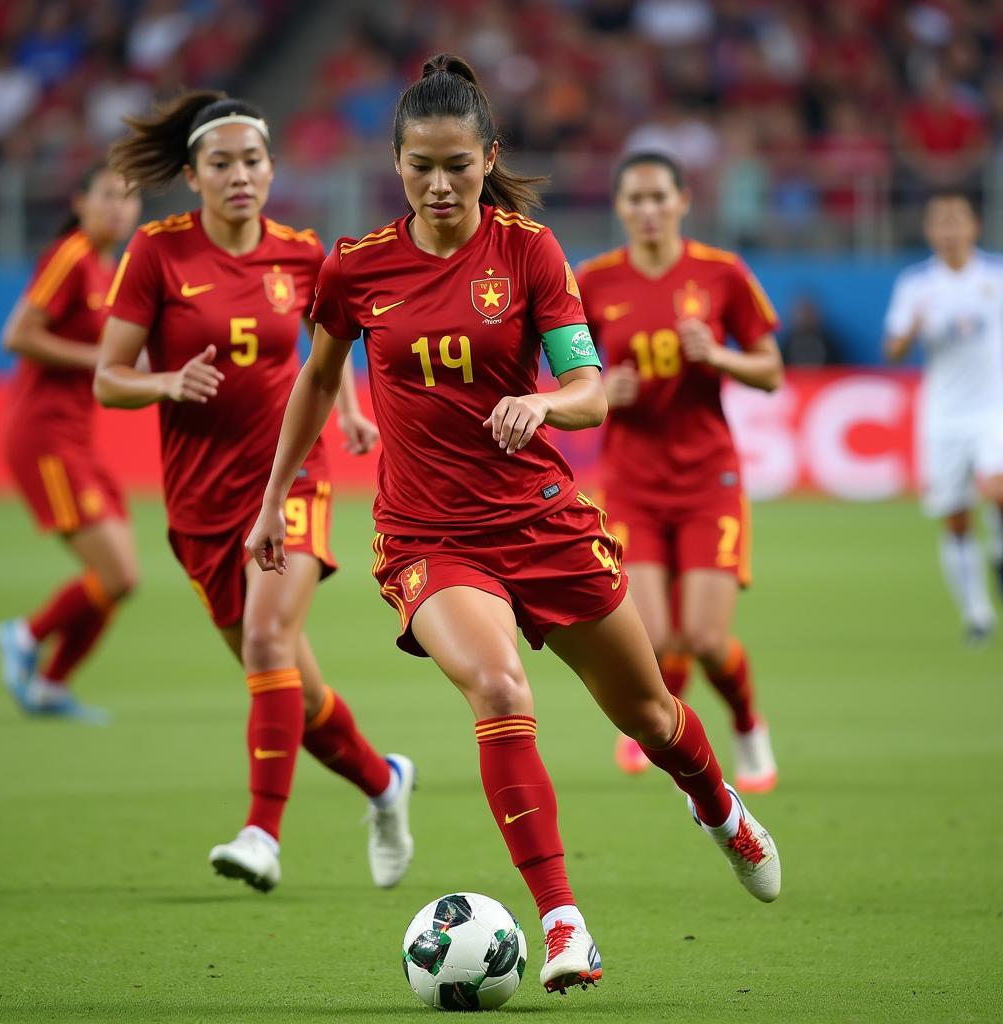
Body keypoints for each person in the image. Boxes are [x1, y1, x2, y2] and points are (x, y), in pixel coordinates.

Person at [247, 55, 781, 997]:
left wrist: (541, 405)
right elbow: (319, 379)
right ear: (397, 161)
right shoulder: (357, 267)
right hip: (427, 536)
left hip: (541, 522)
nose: (441, 184)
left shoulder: (529, 252)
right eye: (421, 166)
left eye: (459, 164)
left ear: (489, 157)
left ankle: (719, 808)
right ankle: (564, 921)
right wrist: (271, 498)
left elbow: (587, 391)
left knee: (653, 716)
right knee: (498, 688)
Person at [93, 91, 414, 893]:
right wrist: (167, 381)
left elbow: (326, 349)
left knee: (269, 644)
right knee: (294, 693)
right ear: (193, 176)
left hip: (290, 480)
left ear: (271, 167)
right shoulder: (157, 254)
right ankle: (384, 784)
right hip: (200, 505)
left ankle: (262, 835)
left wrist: (348, 411)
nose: (241, 176)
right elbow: (107, 380)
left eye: (253, 161)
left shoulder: (303, 255)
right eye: (222, 164)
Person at [576, 152, 782, 790]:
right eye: (634, 200)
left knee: (704, 635)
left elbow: (771, 370)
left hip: (707, 480)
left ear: (683, 201)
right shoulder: (593, 281)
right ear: (619, 207)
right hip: (633, 481)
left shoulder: (721, 274)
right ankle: (660, 725)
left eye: (658, 197)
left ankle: (747, 723)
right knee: (656, 635)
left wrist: (718, 355)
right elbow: (569, 378)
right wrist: (606, 388)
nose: (647, 210)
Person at [0, 162, 142, 723]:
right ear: (80, 202)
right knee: (116, 573)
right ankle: (25, 635)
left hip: (79, 437)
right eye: (107, 195)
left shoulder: (109, 269)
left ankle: (53, 684)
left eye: (128, 199)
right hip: (44, 435)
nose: (118, 208)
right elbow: (18, 335)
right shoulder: (72, 254)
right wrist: (102, 361)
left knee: (122, 577)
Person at [885, 189, 1003, 643]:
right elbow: (892, 351)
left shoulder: (994, 276)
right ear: (930, 231)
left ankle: (999, 552)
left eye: (958, 221)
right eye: (941, 222)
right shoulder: (917, 286)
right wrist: (911, 331)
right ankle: (977, 613)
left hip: (994, 410)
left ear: (975, 227)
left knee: (996, 488)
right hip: (944, 417)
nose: (950, 231)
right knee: (955, 518)